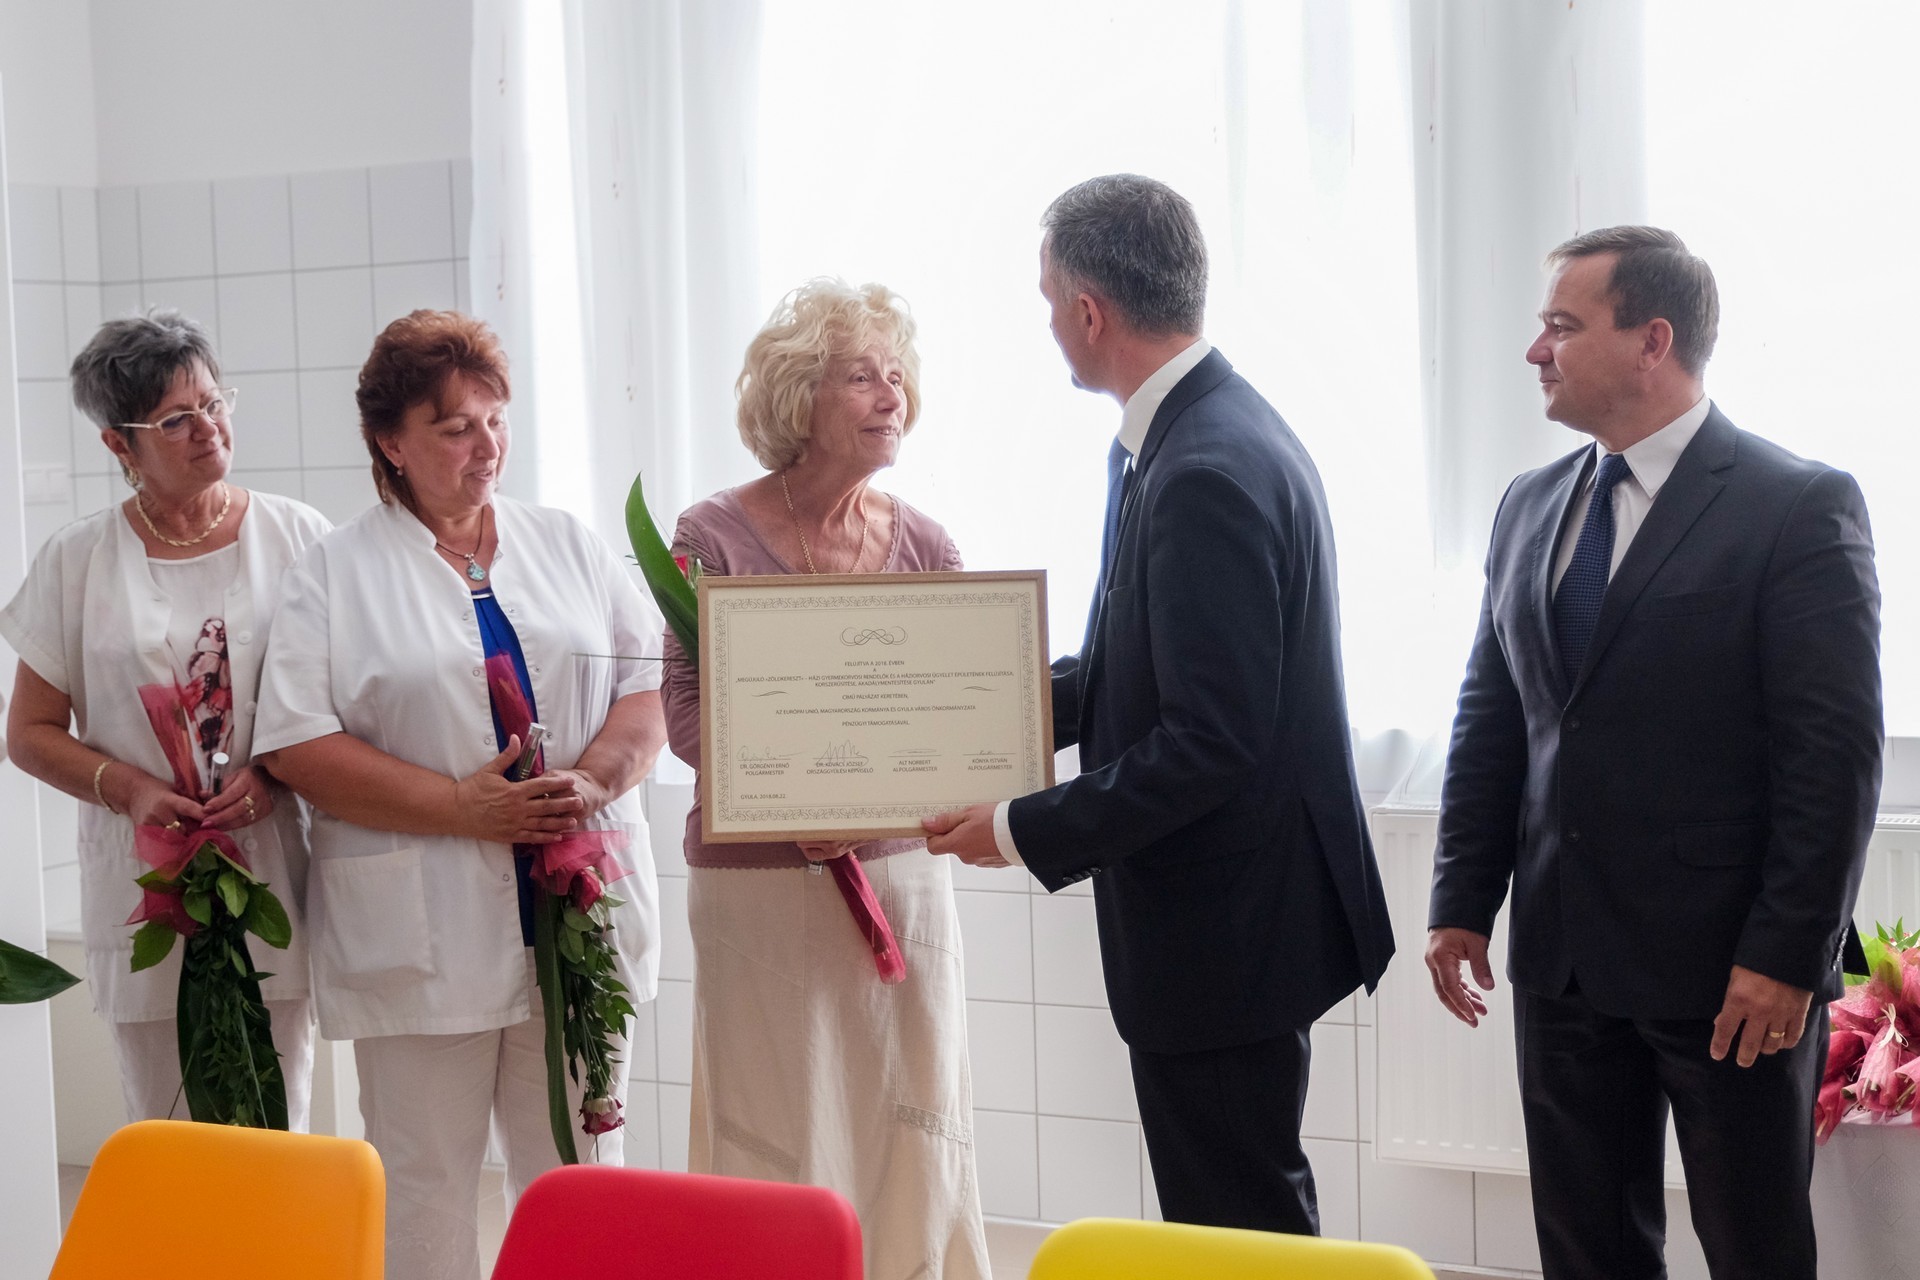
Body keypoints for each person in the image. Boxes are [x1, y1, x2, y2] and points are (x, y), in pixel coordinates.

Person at [924, 175, 1394, 1235]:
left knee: (1239, 1225)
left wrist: (1017, 826)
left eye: (1049, 302)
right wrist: (966, 714)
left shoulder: (1203, 468)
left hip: (1226, 930)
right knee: (1231, 1212)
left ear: (1090, 310)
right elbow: (1128, 667)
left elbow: (1209, 740)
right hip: (1233, 916)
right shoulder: (1189, 433)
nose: (1050, 325)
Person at [1425, 226, 1881, 1280]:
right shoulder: (1527, 504)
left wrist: (1787, 956)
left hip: (1731, 975)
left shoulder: (1796, 505)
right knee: (1586, 1251)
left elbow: (1833, 757)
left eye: (1561, 325)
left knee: (1756, 1250)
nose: (1535, 350)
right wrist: (1461, 897)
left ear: (1652, 341)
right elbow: (1493, 715)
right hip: (1563, 961)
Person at [253, 311, 667, 1280]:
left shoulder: (565, 542)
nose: (487, 447)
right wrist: (459, 807)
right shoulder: (334, 572)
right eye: (454, 428)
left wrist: (597, 778)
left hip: (576, 906)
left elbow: (649, 686)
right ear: (390, 444)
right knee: (425, 1183)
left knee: (579, 1172)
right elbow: (297, 743)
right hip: (421, 929)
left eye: (496, 421)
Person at [662, 279, 989, 1280]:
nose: (893, 396)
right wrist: (798, 802)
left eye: (898, 376)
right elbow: (686, 714)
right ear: (800, 396)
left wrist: (868, 803)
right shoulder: (709, 535)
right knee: (770, 1122)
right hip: (756, 889)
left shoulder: (927, 545)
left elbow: (953, 721)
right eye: (863, 377)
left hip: (899, 883)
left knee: (911, 1118)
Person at [0, 311, 326, 1126]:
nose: (208, 428)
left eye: (213, 404)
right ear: (120, 445)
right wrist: (131, 789)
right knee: (163, 1123)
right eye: (176, 420)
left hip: (270, 869)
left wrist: (276, 776)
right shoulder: (77, 559)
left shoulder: (298, 537)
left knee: (276, 1113)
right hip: (142, 879)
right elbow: (29, 734)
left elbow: (346, 704)